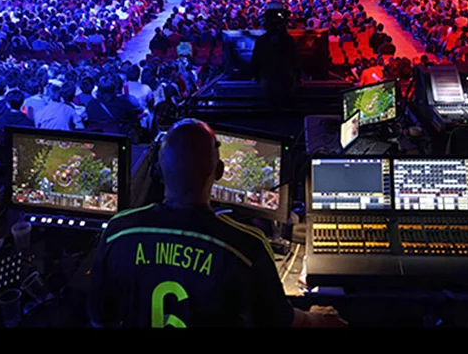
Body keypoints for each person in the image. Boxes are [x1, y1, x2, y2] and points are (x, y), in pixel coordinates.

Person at [88, 119, 347, 328]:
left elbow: (99, 318)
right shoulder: (246, 246)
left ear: (157, 170)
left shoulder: (118, 231)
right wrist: (317, 319)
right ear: (220, 171)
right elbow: (280, 320)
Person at [251, 6, 300, 107]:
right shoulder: (288, 40)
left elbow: (255, 61)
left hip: (272, 80)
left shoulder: (262, 40)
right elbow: (295, 60)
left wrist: (256, 76)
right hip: (284, 81)